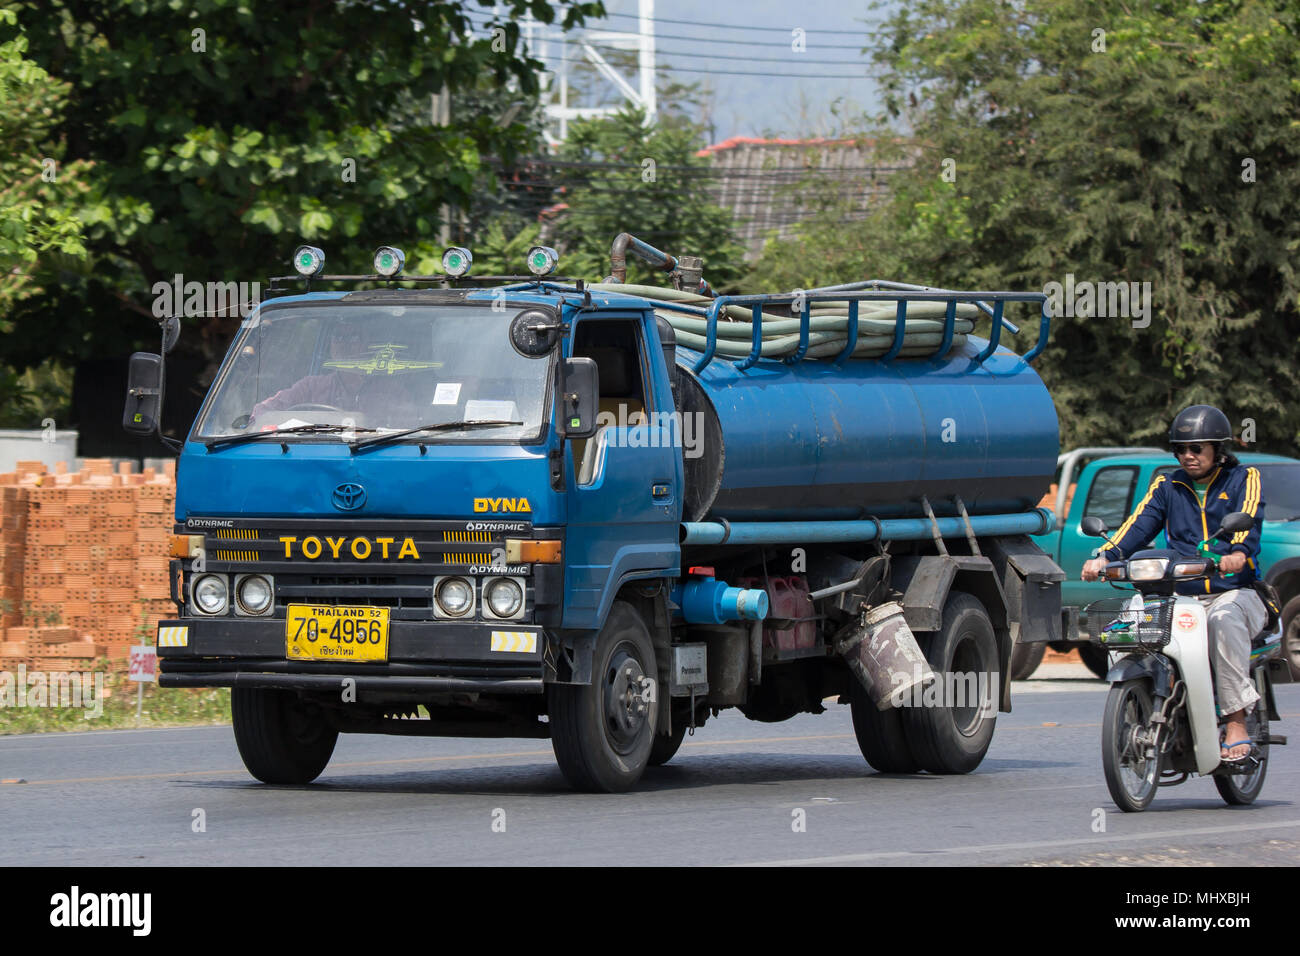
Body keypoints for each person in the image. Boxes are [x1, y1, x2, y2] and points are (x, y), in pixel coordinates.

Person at [1081, 405, 1267, 763]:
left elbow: (1248, 520)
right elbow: (1137, 526)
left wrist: (1238, 554)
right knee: (1131, 620)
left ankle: (1236, 722)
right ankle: (1138, 708)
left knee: (1223, 621)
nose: (1188, 456)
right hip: (1179, 597)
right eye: (1181, 449)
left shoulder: (1244, 477)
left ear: (1217, 448)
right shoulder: (1167, 485)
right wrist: (1104, 555)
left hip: (1231, 593)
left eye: (1196, 448)